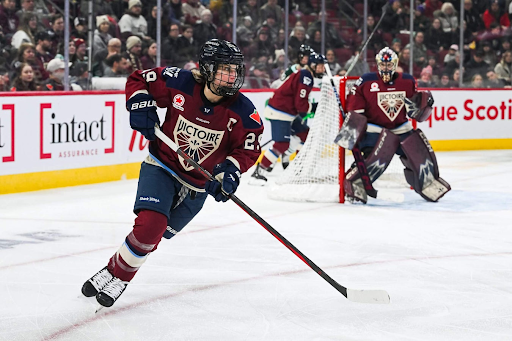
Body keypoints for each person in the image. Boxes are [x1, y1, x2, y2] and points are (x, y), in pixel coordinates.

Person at [81, 39, 263, 308]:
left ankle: (111, 270)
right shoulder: (180, 81)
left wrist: (230, 173)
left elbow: (247, 149)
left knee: (157, 234)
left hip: (199, 186)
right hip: (162, 165)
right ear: (208, 69)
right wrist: (140, 103)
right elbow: (139, 79)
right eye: (225, 69)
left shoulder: (244, 111)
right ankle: (120, 277)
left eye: (235, 70)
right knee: (150, 226)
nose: (232, 76)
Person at [339, 47, 450, 203]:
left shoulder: (407, 81)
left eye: (389, 64)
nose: (386, 68)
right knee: (376, 156)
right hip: (375, 129)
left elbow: (415, 110)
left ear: (395, 64)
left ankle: (428, 183)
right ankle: (355, 182)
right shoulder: (366, 81)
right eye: (383, 64)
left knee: (419, 154)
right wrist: (353, 129)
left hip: (400, 127)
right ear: (377, 64)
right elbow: (354, 108)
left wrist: (424, 104)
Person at [250, 52, 325, 183]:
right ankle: (259, 171)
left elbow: (299, 104)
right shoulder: (306, 76)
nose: (322, 69)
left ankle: (296, 165)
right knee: (281, 144)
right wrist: (315, 106)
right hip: (280, 111)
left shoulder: (306, 75)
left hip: (288, 112)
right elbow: (301, 105)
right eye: (320, 66)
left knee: (305, 134)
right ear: (312, 65)